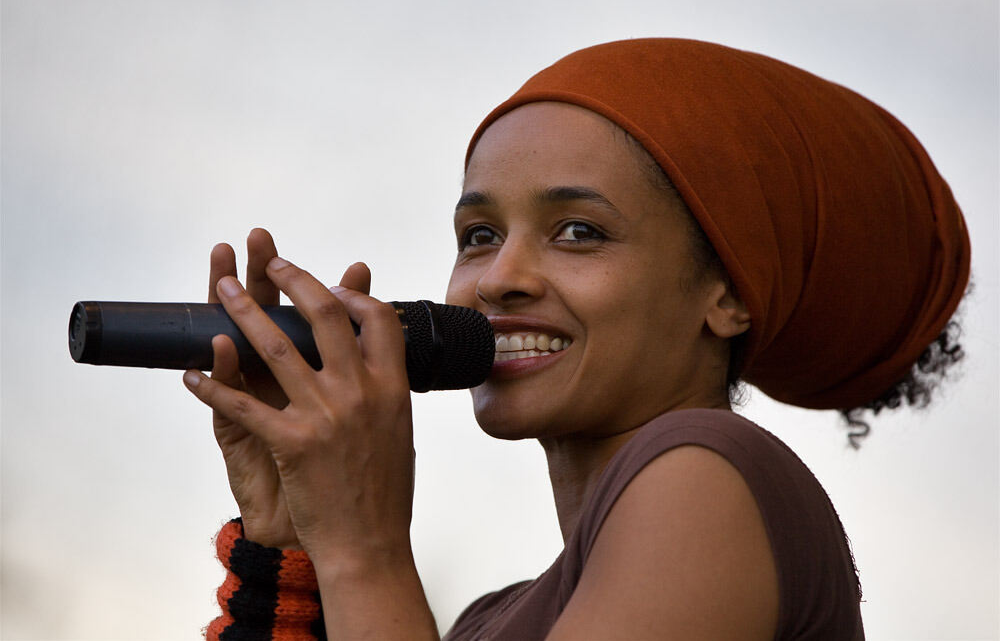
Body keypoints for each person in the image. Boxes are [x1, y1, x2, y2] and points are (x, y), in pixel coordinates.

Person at [183, 39, 970, 640]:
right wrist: (293, 550)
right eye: (480, 233)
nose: (498, 278)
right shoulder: (490, 619)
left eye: (579, 231)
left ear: (726, 293)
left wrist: (362, 548)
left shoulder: (709, 472)